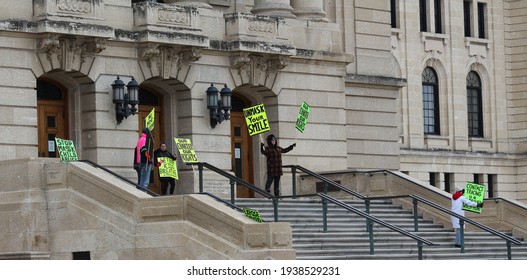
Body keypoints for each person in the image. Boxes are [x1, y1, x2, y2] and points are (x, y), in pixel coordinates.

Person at [135, 128, 154, 192]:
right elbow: (144, 150)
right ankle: (143, 192)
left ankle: (141, 192)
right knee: (145, 180)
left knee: (142, 179)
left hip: (142, 161)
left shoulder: (140, 139)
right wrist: (149, 157)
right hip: (146, 162)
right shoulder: (145, 140)